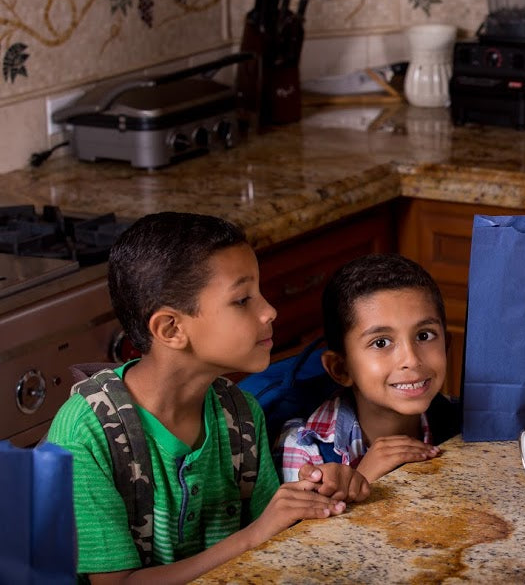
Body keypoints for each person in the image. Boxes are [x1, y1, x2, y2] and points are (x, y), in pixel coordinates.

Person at [47, 212, 369, 584]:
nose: (269, 311)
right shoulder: (86, 432)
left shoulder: (240, 414)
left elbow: (273, 540)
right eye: (243, 299)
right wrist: (252, 536)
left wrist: (313, 494)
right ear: (170, 328)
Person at [278, 253, 459, 483]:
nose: (411, 360)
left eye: (424, 335)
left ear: (447, 346)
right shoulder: (308, 447)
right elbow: (313, 520)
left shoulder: (466, 421)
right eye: (381, 342)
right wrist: (364, 480)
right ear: (340, 369)